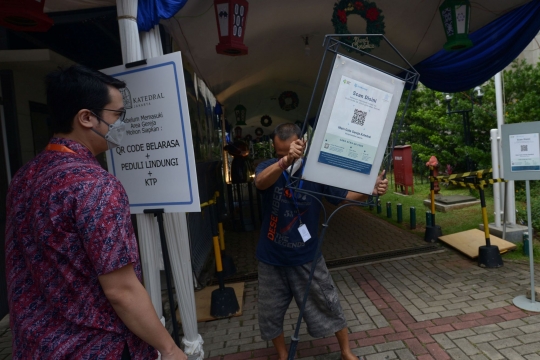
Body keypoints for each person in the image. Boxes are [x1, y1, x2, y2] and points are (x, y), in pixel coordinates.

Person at [5, 65, 186, 360]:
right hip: (98, 347)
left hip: (36, 346)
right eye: (117, 115)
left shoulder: (23, 177)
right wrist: (169, 348)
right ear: (87, 118)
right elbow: (121, 290)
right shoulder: (95, 185)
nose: (122, 123)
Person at [254, 123, 388, 360]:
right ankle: (284, 356)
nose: (285, 156)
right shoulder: (269, 167)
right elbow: (260, 182)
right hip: (271, 257)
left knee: (329, 302)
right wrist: (283, 162)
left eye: (291, 151)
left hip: (307, 255)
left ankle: (346, 352)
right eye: (279, 153)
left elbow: (343, 198)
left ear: (302, 144)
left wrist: (371, 188)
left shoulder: (316, 171)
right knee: (270, 312)